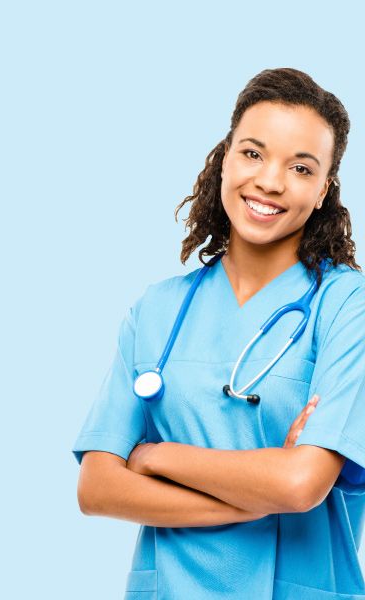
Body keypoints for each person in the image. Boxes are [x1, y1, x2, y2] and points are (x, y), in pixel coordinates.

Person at [72, 67, 365, 599]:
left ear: (323, 191)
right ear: (224, 157)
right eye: (253, 153)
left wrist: (154, 457)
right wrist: (257, 495)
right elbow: (95, 488)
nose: (270, 181)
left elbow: (302, 485)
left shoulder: (346, 306)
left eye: (301, 167)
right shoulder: (156, 309)